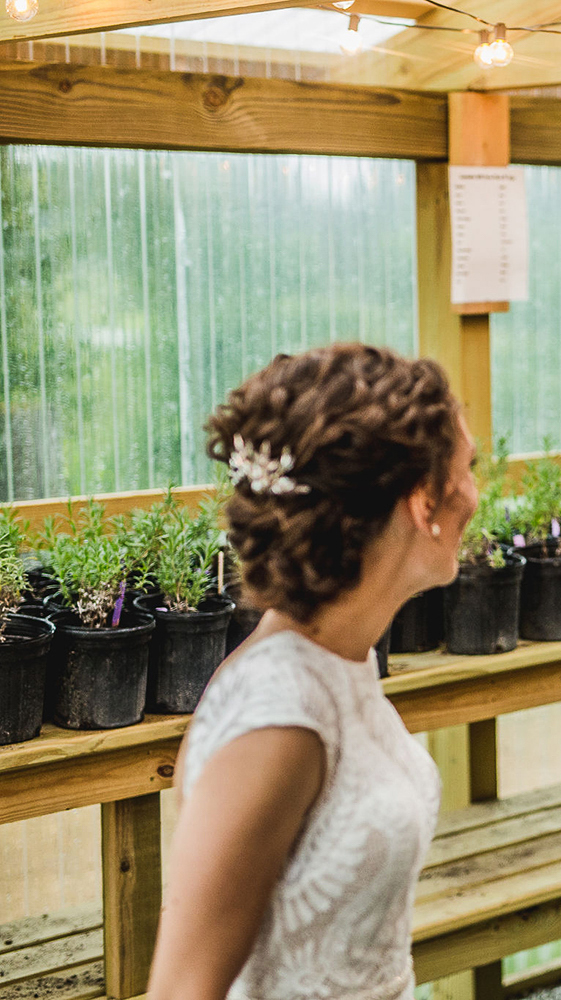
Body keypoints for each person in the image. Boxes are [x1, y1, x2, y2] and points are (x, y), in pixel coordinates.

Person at [149, 344, 479, 1000]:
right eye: (471, 468)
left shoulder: (341, 661)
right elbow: (184, 989)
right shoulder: (277, 713)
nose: (475, 494)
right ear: (423, 502)